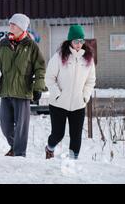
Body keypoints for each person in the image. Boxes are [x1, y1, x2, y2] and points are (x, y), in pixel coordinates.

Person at [0, 13, 46, 157]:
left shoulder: (31, 45)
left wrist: (38, 87)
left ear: (21, 27)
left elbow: (40, 67)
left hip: (23, 92)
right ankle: (15, 147)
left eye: (13, 24)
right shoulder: (3, 44)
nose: (10, 26)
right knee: (5, 124)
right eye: (10, 24)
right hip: (6, 90)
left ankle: (19, 153)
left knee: (21, 127)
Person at [44, 25, 96, 160]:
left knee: (76, 135)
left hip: (78, 104)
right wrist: (57, 94)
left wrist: (85, 97)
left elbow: (91, 81)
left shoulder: (88, 59)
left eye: (81, 41)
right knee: (58, 134)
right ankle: (49, 148)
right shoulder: (59, 57)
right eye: (76, 41)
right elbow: (49, 78)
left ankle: (74, 161)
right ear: (70, 41)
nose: (79, 44)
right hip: (58, 104)